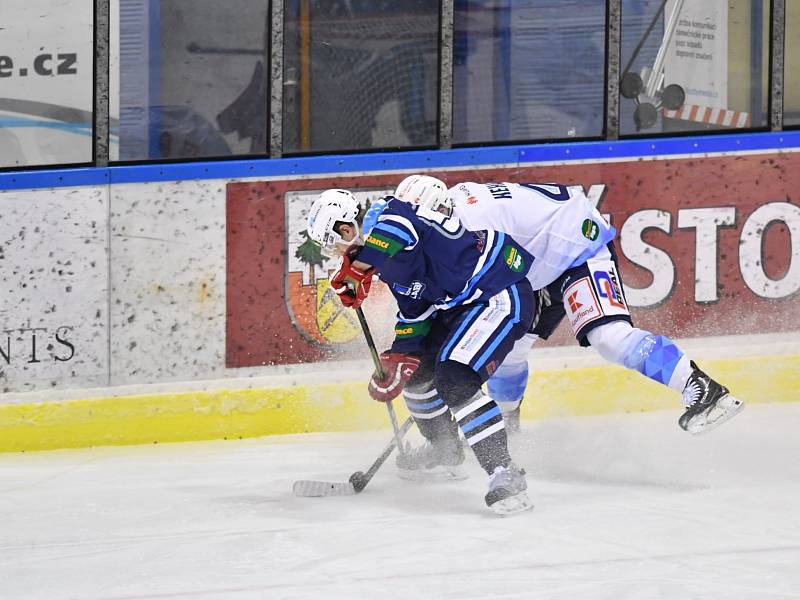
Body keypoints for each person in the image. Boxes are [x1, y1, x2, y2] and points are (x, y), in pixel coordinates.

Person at [393, 175, 745, 435]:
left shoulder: (473, 223)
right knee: (508, 351)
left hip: (579, 251)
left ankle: (702, 388)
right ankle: (507, 429)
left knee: (609, 338)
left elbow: (472, 293)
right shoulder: (449, 215)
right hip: (531, 263)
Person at [306, 188, 538, 515]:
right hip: (456, 309)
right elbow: (416, 313)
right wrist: (399, 358)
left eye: (333, 244)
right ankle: (445, 449)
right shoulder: (385, 265)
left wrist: (358, 268)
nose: (336, 253)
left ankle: (504, 472)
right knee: (417, 376)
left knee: (455, 380)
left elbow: (399, 226)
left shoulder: (388, 217)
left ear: (346, 228)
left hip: (497, 292)